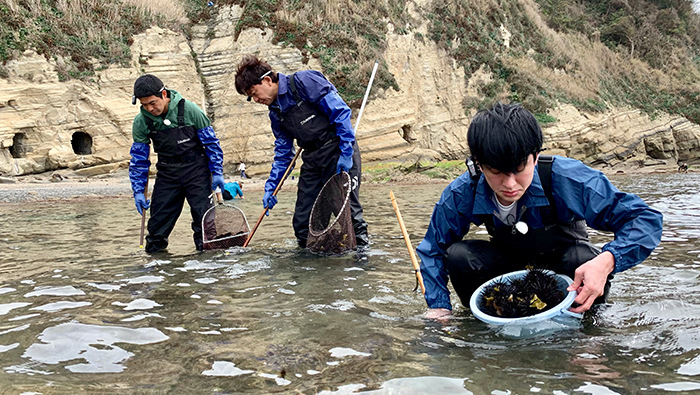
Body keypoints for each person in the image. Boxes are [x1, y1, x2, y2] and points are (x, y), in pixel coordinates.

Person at [416, 102, 663, 320]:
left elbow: (644, 219)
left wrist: (608, 261)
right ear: (479, 165)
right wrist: (439, 307)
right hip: (508, 268)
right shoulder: (463, 192)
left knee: (583, 258)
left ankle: (586, 326)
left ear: (534, 157)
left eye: (520, 168)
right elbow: (433, 250)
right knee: (459, 255)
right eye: (497, 172)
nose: (510, 184)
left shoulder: (567, 178)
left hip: (566, 268)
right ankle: (486, 320)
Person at [234, 55, 369, 249]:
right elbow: (283, 153)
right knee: (303, 222)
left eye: (254, 93)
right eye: (251, 97)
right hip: (312, 159)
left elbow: (340, 113)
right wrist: (272, 187)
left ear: (267, 80)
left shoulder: (305, 81)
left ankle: (362, 258)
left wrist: (346, 152)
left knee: (347, 211)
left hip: (337, 151)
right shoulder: (275, 113)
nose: (255, 100)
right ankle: (311, 269)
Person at [128, 74, 225, 253]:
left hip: (197, 171)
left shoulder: (190, 110)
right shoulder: (141, 122)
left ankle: (210, 270)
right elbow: (139, 160)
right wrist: (138, 191)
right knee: (157, 227)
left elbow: (211, 144)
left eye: (152, 103)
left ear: (164, 94)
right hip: (167, 174)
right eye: (144, 105)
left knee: (204, 226)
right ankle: (157, 270)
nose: (149, 108)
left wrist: (217, 171)